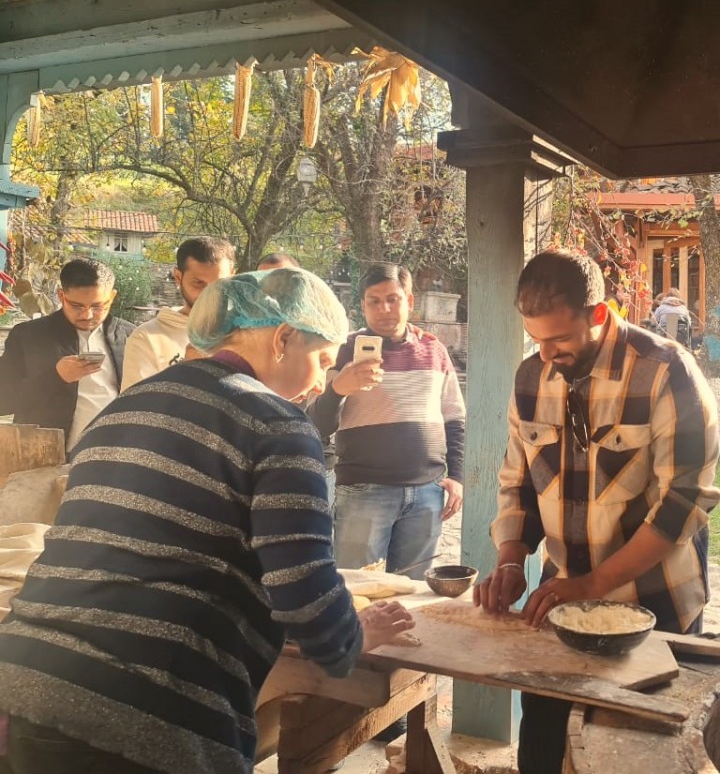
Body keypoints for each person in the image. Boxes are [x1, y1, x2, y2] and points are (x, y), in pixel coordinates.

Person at [0, 268, 415, 773]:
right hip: (149, 710)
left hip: (26, 685)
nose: (318, 383)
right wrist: (350, 636)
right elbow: (303, 589)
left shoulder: (125, 407)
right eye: (323, 361)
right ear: (284, 339)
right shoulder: (276, 423)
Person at [473, 249, 720, 774]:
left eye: (560, 339)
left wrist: (593, 584)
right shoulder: (530, 378)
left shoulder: (666, 371)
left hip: (656, 606)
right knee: (542, 753)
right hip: (560, 606)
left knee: (639, 757)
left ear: (600, 314)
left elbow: (684, 503)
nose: (547, 354)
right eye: (536, 339)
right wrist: (511, 559)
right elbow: (518, 482)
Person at [312, 263, 466, 576]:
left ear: (409, 301)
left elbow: (454, 417)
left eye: (393, 299)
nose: (384, 309)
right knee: (357, 588)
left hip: (427, 492)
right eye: (374, 301)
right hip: (363, 492)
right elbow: (317, 425)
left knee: (414, 592)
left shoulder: (434, 349)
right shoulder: (342, 351)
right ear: (363, 305)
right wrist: (339, 388)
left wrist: (458, 477)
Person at [0, 258, 133, 452]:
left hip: (116, 455)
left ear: (112, 297)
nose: (87, 315)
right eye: (77, 306)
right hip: (46, 456)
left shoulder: (130, 337)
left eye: (98, 306)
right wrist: (56, 377)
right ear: (61, 296)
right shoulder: (29, 336)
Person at [121, 236, 236, 390]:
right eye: (199, 283)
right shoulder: (146, 338)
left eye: (219, 283)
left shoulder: (246, 332)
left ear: (232, 277)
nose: (209, 293)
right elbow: (136, 403)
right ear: (178, 276)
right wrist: (187, 371)